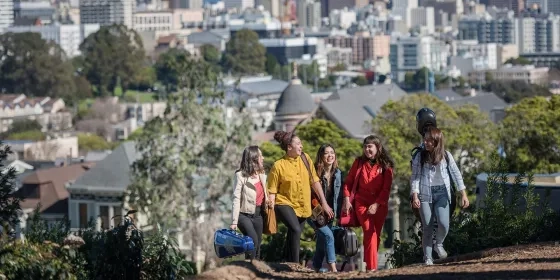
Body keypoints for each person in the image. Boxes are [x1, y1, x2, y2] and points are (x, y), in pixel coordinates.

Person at [267, 130, 334, 264]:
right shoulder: (278, 165)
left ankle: (285, 263)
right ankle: (296, 265)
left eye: (301, 143)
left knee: (293, 235)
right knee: (296, 229)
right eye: (298, 143)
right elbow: (272, 190)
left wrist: (324, 203)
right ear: (289, 147)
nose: (301, 146)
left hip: (303, 206)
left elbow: (315, 181)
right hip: (283, 203)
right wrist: (270, 209)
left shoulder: (305, 159)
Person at [410, 126, 470, 265]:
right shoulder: (420, 156)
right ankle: (428, 258)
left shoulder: (446, 155)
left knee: (443, 223)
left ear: (437, 141)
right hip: (425, 194)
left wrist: (463, 194)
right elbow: (415, 178)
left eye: (429, 140)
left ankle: (439, 243)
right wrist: (415, 195)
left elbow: (456, 174)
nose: (426, 143)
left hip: (442, 193)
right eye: (425, 140)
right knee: (427, 226)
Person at [342, 135, 394, 272]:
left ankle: (370, 261)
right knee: (369, 231)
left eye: (370, 146)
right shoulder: (358, 162)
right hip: (361, 203)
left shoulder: (386, 166)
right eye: (365, 146)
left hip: (380, 205)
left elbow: (386, 189)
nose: (367, 149)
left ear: (378, 148)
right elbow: (348, 182)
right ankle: (372, 268)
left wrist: (377, 204)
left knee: (375, 234)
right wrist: (347, 199)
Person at [231, 145, 272, 260]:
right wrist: (234, 222)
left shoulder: (262, 175)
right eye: (260, 156)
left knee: (257, 244)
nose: (263, 158)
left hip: (258, 215)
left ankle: (255, 271)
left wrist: (268, 201)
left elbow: (263, 195)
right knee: (252, 240)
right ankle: (248, 267)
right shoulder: (240, 176)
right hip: (243, 215)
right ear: (253, 158)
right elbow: (236, 198)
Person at [308, 144, 343, 272]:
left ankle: (316, 267)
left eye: (332, 152)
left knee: (322, 241)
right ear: (321, 156)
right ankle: (333, 269)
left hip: (330, 211)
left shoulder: (338, 173)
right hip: (314, 210)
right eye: (326, 153)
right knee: (328, 236)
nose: (330, 155)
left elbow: (339, 196)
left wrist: (339, 213)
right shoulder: (315, 172)